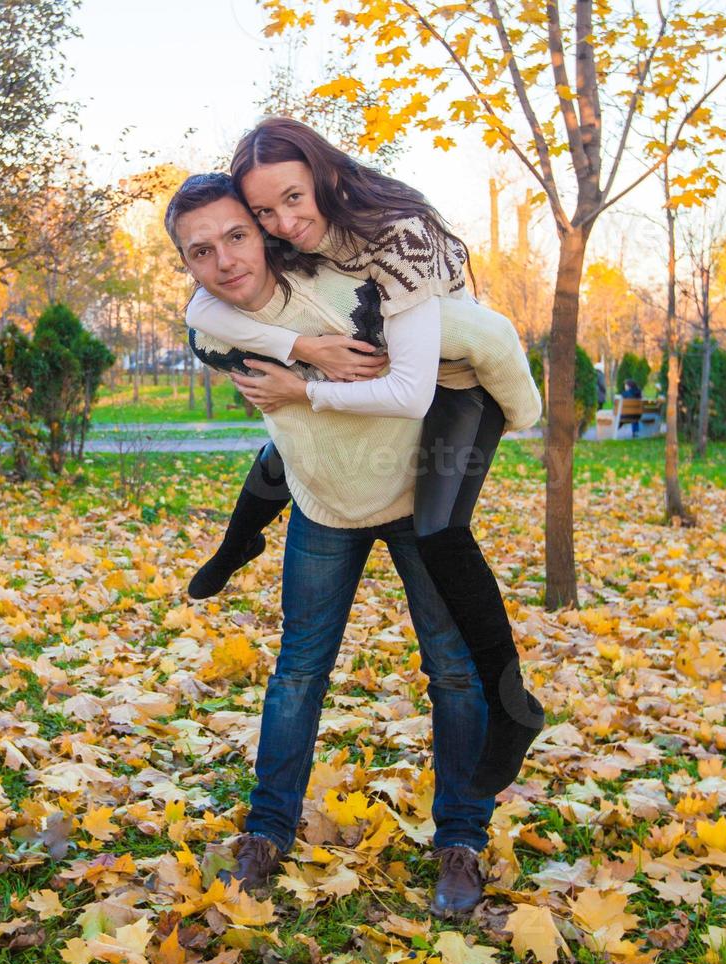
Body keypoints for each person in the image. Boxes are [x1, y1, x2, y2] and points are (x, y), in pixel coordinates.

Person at [167, 172, 525, 918]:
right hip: (323, 505)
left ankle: (460, 837)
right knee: (298, 670)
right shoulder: (214, 328)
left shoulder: (353, 284)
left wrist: (522, 406)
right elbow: (201, 311)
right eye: (202, 251)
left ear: (262, 232)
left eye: (238, 235)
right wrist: (300, 350)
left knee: (453, 673)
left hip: (412, 498)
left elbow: (478, 333)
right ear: (189, 266)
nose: (226, 259)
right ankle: (266, 831)